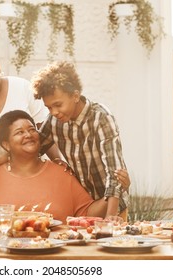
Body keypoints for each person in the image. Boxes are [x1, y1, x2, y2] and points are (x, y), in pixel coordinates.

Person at [31, 60, 129, 219]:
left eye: (58, 105)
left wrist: (110, 217)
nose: (54, 112)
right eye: (49, 107)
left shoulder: (101, 118)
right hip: (84, 206)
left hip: (112, 204)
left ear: (75, 96)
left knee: (110, 242)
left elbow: (115, 172)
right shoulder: (54, 121)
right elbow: (32, 150)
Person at [0, 110, 108, 222]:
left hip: (55, 244)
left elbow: (87, 213)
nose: (28, 135)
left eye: (32, 129)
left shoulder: (62, 173)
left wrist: (114, 190)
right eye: (19, 132)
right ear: (6, 145)